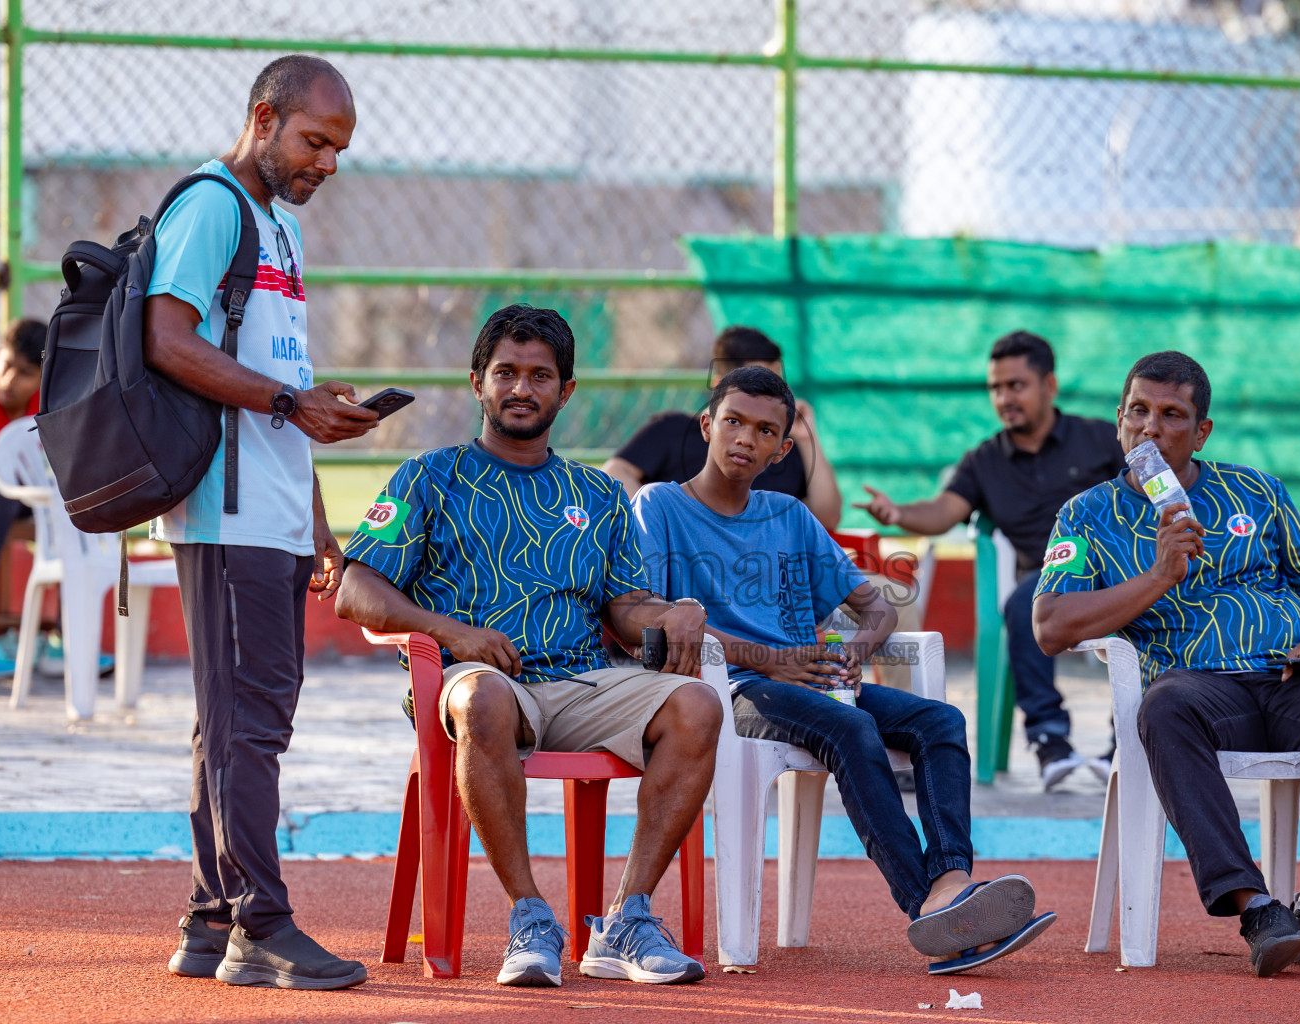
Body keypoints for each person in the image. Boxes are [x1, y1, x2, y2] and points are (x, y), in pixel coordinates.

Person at [336, 304, 722, 988]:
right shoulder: (430, 477)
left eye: (540, 376)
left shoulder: (597, 494)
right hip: (476, 684)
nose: (522, 388)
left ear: (565, 391)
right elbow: (355, 588)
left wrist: (680, 612)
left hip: (581, 682)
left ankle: (627, 921)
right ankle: (530, 916)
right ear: (477, 384)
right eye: (505, 373)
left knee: (696, 704)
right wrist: (451, 634)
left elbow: (627, 611)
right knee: (483, 694)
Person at [632, 365, 1055, 976]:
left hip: (813, 686)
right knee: (851, 731)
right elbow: (663, 618)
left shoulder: (790, 516)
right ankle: (926, 905)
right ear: (707, 425)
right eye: (733, 422)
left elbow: (878, 605)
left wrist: (855, 652)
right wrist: (774, 659)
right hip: (730, 690)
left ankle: (952, 879)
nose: (745, 439)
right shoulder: (661, 506)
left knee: (941, 721)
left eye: (764, 431)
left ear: (782, 450)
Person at [1032, 351, 1300, 977]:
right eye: (1138, 412)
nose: (1150, 428)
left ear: (1200, 432)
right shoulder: (1087, 515)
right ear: (1119, 421)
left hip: (1292, 677)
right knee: (1164, 710)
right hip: (1197, 690)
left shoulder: (1256, 491)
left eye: (1171, 414)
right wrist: (1158, 575)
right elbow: (1050, 626)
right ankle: (1256, 907)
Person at [143, 56, 381, 990]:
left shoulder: (274, 225)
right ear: (264, 117)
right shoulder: (210, 207)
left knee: (235, 722)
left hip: (272, 512)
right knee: (248, 724)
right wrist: (292, 403)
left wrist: (317, 517)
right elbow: (169, 341)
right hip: (224, 511)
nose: (327, 161)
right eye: (316, 140)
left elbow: (279, 390)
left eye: (340, 149)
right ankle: (260, 925)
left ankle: (209, 918)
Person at [856, 332, 1123, 789]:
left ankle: (1127, 744)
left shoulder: (1100, 439)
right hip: (1047, 583)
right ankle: (1049, 742)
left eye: (1016, 385)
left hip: (1119, 573)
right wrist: (899, 514)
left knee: (1153, 600)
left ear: (1049, 385)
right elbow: (944, 510)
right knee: (1026, 600)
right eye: (996, 388)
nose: (1004, 398)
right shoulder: (985, 461)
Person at [604, 326, 843, 530]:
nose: (767, 395)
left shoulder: (783, 444)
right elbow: (616, 471)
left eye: (774, 384)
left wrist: (807, 440)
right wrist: (663, 522)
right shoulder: (673, 431)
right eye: (754, 385)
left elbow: (827, 518)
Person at [0, 319, 45, 674]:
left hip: (36, 497)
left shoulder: (46, 408)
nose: (10, 379)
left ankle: (57, 639)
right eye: (7, 364)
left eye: (25, 372)